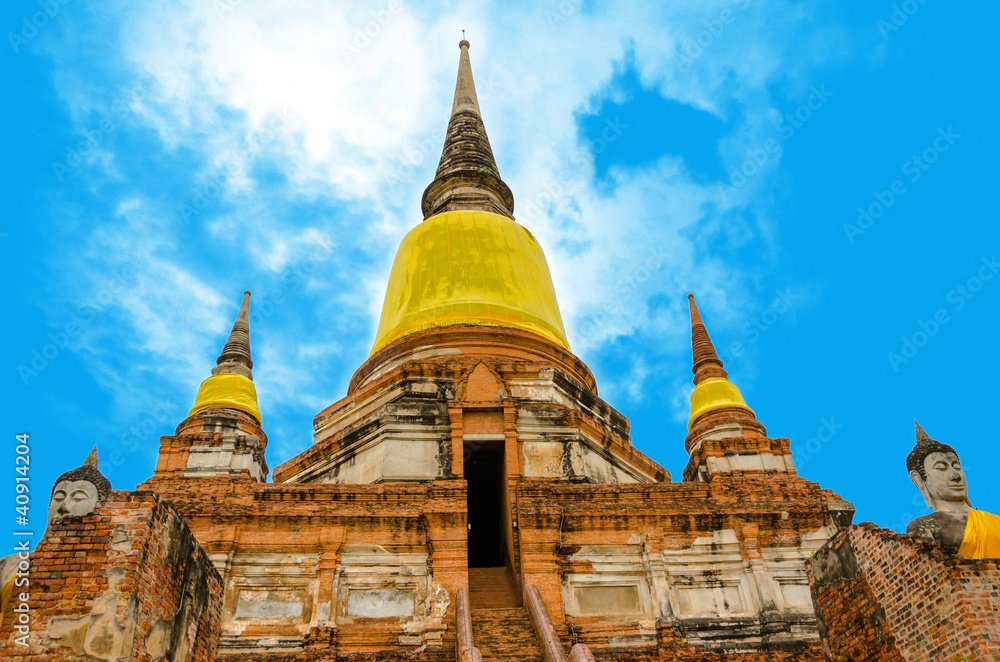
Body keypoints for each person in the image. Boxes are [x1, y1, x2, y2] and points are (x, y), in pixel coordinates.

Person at [0, 448, 112, 614]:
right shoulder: (9, 564)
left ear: (98, 509)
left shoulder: (110, 576)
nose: (64, 507)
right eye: (59, 498)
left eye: (78, 498)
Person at [905, 422, 1000, 559]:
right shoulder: (924, 526)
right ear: (919, 480)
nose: (955, 476)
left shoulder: (996, 522)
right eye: (941, 468)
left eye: (956, 466)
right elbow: (934, 571)